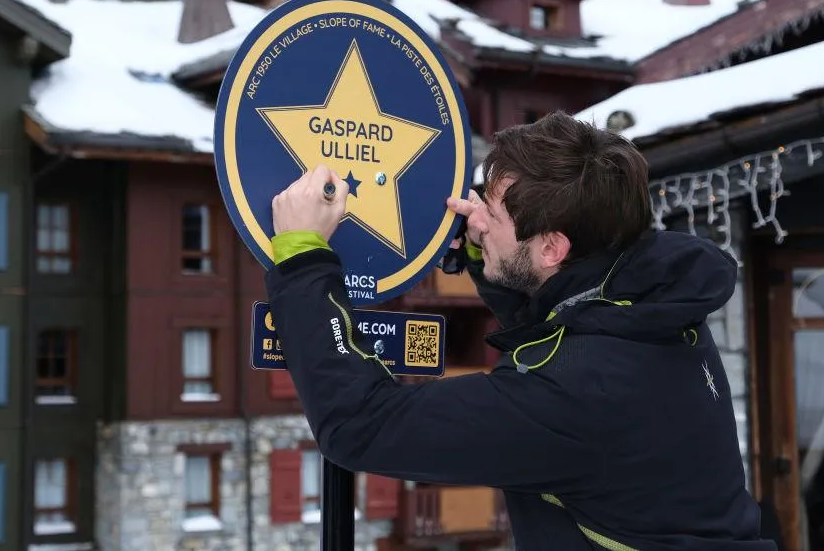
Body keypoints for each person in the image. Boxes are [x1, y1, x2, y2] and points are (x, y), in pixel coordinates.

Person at [266, 111, 775, 551]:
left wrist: (303, 257)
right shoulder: (655, 304)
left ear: (552, 248)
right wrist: (489, 254)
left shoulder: (574, 395)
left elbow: (361, 425)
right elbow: (566, 324)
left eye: (493, 211)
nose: (478, 217)